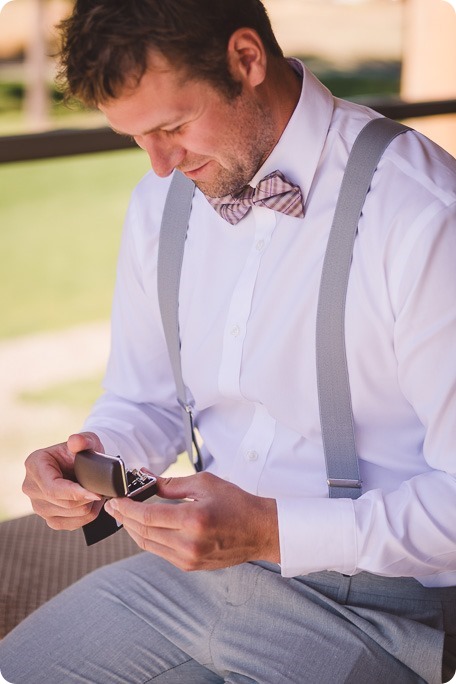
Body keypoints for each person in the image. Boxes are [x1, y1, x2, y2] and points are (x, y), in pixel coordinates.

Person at [1, 1, 455, 682]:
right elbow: (144, 397)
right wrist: (89, 459)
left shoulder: (423, 214)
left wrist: (271, 530)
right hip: (195, 581)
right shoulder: (159, 205)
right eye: (137, 138)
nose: (158, 165)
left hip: (382, 607)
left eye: (173, 126)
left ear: (246, 60)